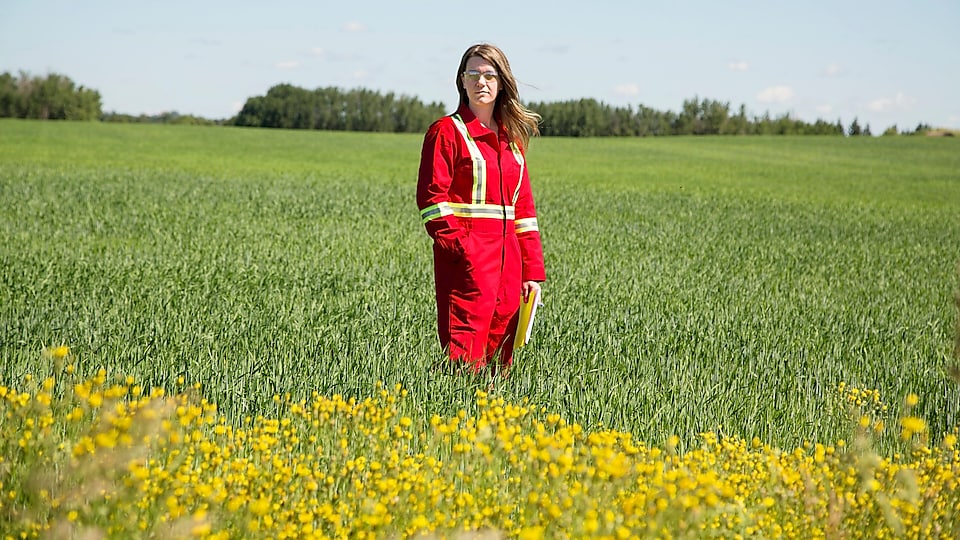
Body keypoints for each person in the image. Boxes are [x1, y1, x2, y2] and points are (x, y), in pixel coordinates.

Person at [416, 43, 545, 375]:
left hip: (510, 264)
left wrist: (531, 273)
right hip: (467, 263)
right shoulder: (446, 132)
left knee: (501, 355)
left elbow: (525, 212)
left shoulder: (512, 141)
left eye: (489, 75)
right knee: (464, 351)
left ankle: (490, 420)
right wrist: (464, 250)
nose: (481, 82)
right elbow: (433, 202)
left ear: (501, 82)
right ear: (461, 81)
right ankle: (452, 417)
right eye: (473, 74)